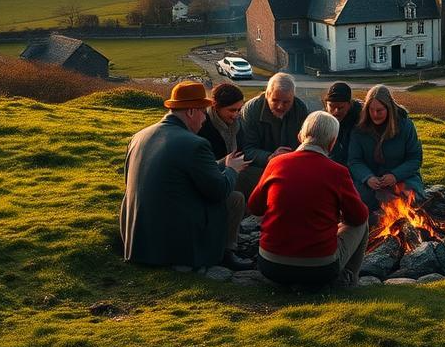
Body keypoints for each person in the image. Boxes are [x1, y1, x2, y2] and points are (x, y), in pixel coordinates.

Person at [120, 81, 253, 270]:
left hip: (138, 238)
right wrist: (232, 170)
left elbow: (180, 172)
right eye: (202, 112)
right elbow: (218, 191)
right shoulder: (195, 144)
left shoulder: (139, 136)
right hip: (173, 233)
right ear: (191, 111)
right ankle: (224, 254)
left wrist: (223, 163)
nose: (205, 119)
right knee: (235, 199)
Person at [248, 111, 370, 287]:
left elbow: (255, 207)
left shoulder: (276, 163)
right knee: (362, 222)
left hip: (270, 264)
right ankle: (347, 279)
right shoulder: (337, 172)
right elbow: (358, 217)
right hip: (318, 269)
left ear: (300, 136)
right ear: (332, 143)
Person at [347, 84, 424, 211]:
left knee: (409, 200)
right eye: (371, 110)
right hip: (371, 181)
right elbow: (354, 160)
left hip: (402, 178)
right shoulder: (359, 129)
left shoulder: (405, 126)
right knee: (360, 201)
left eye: (380, 110)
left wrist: (395, 175)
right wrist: (367, 177)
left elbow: (415, 158)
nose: (375, 114)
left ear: (389, 108)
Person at [237, 72, 309, 195]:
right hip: (261, 167)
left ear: (293, 98)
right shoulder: (252, 110)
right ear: (267, 95)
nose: (280, 106)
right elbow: (246, 150)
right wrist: (270, 157)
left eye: (286, 102)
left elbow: (306, 143)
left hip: (291, 165)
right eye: (275, 100)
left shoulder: (300, 108)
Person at [197, 82, 245, 160]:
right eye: (232, 110)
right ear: (216, 107)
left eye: (239, 110)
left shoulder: (238, 124)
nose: (236, 115)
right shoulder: (202, 127)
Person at [321, 81, 362, 166]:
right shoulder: (322, 120)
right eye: (331, 106)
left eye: (340, 108)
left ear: (350, 105)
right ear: (326, 105)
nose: (336, 112)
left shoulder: (360, 120)